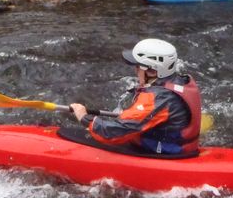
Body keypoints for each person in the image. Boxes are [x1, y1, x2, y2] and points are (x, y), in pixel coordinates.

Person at [69, 39, 202, 155]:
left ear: (152, 71)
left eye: (138, 66)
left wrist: (85, 118)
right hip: (179, 145)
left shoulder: (157, 98)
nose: (135, 70)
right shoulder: (179, 81)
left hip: (167, 152)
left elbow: (114, 133)